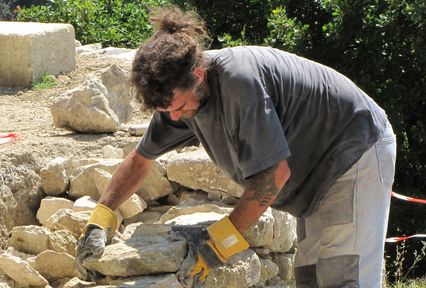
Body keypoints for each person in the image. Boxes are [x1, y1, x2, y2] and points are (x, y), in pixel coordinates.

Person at [75, 6, 396, 288]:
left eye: (180, 106)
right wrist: (101, 218)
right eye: (166, 111)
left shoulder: (240, 85)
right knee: (311, 279)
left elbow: (273, 175)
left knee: (344, 278)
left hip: (353, 151)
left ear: (198, 75)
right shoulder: (177, 102)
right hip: (312, 176)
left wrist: (220, 244)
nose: (174, 117)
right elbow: (141, 160)